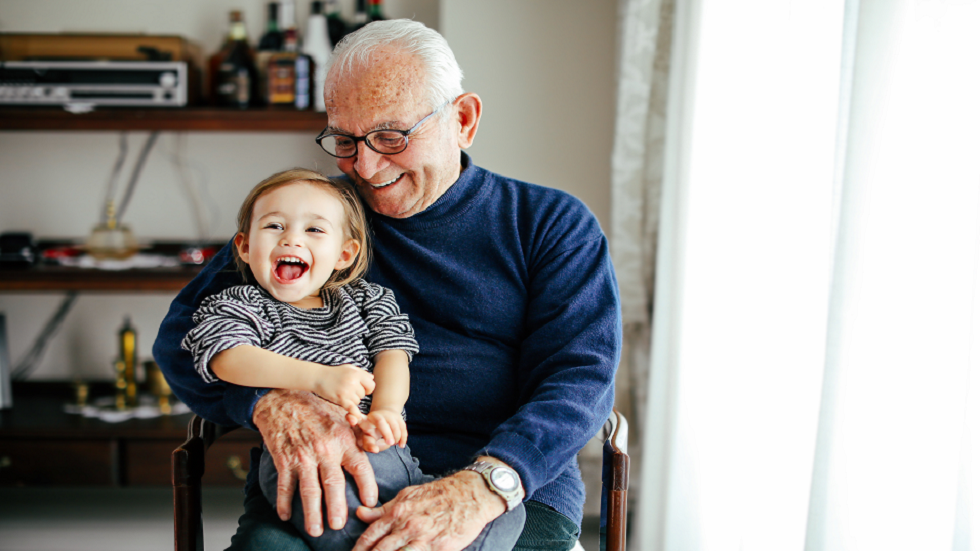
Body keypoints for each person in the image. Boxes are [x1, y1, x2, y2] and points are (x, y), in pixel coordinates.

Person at [153, 19, 621, 551]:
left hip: (500, 483)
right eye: (345, 140)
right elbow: (183, 337)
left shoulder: (550, 223)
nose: (367, 166)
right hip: (326, 473)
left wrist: (484, 486)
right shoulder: (311, 218)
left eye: (391, 136)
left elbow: (580, 378)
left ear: (463, 120)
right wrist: (267, 399)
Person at [179, 169, 524, 551]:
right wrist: (317, 378)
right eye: (274, 226)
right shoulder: (240, 304)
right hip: (300, 461)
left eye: (314, 229)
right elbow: (227, 357)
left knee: (508, 512)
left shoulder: (368, 300)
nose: (291, 238)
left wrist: (387, 410)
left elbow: (393, 355)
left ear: (345, 253)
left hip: (387, 455)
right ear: (244, 247)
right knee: (332, 515)